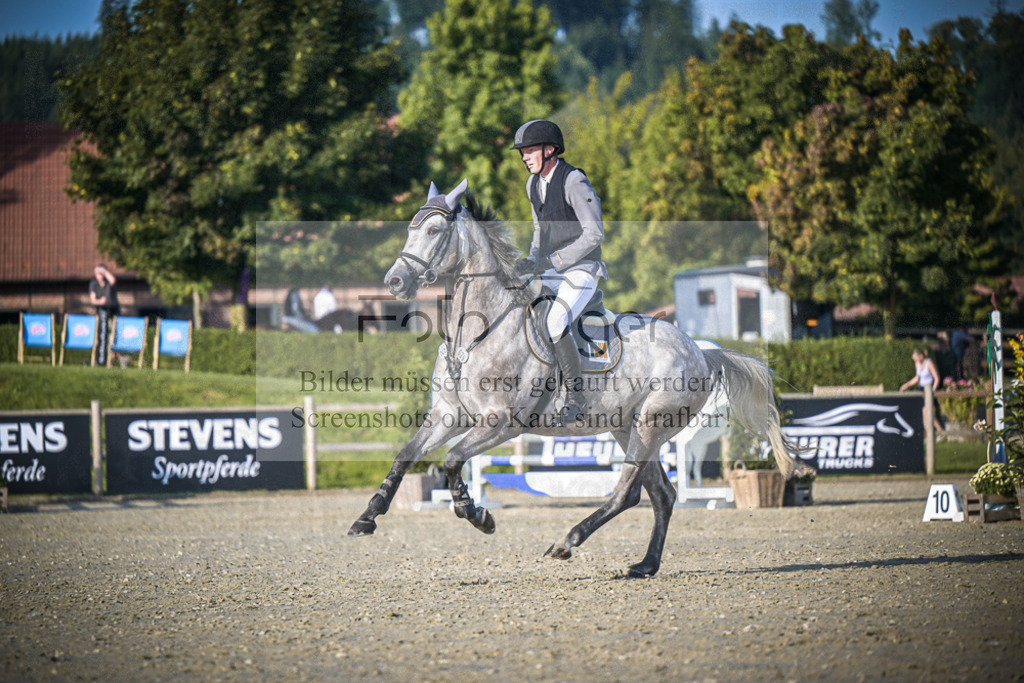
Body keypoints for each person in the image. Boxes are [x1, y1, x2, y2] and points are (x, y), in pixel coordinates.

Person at [510, 119, 607, 425]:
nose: (524, 157)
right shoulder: (533, 185)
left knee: (554, 320)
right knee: (517, 310)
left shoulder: (573, 180)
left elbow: (595, 234)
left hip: (582, 269)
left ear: (549, 150)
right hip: (553, 269)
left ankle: (576, 399)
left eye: (529, 151)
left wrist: (551, 262)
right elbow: (540, 231)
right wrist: (531, 261)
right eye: (522, 152)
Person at [899, 347, 944, 433]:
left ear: (921, 356)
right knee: (923, 414)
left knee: (926, 413)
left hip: (929, 388)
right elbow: (917, 378)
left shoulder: (929, 363)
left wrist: (932, 391)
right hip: (921, 389)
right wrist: (906, 385)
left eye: (916, 358)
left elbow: (937, 378)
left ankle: (940, 431)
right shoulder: (917, 364)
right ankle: (928, 434)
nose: (916, 361)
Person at [88, 263, 120, 366]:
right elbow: (93, 300)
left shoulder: (109, 282)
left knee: (113, 336)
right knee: (103, 337)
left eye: (101, 273)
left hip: (113, 312)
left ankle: (114, 359)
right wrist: (100, 302)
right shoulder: (93, 284)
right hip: (102, 313)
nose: (99, 275)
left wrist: (104, 271)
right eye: (97, 273)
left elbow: (113, 280)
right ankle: (107, 360)